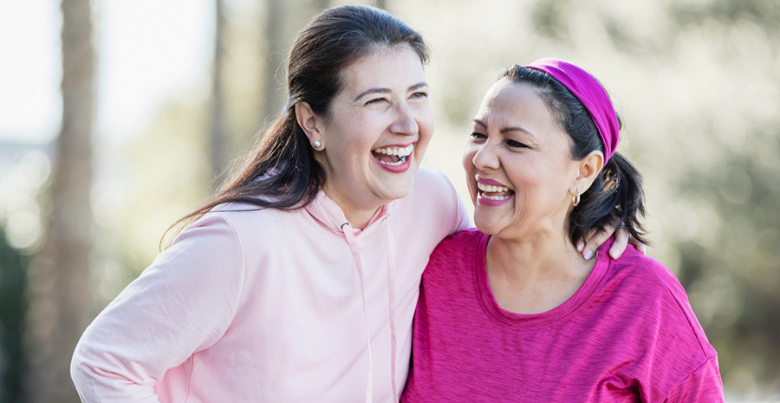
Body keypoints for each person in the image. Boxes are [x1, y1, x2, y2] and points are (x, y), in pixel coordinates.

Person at [71, 6, 630, 403]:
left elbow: (514, 244)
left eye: (417, 96)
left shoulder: (431, 203)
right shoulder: (242, 240)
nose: (407, 125)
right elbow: (103, 361)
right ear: (313, 122)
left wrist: (592, 223)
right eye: (376, 101)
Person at [401, 59, 724, 402]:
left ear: (585, 171)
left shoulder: (644, 298)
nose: (482, 158)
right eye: (479, 134)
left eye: (515, 143)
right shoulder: (431, 266)